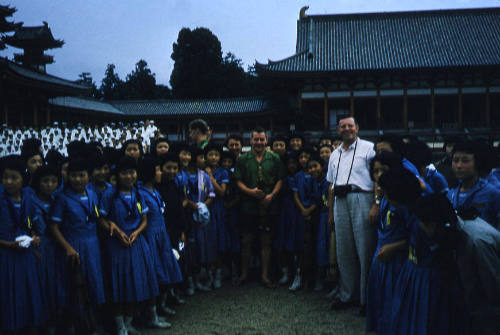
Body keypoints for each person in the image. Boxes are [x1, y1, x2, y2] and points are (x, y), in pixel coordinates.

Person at [99, 156, 167, 334]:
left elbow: (144, 219)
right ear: (117, 175)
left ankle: (129, 322)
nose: (129, 176)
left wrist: (136, 233)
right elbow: (102, 219)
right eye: (124, 173)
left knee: (136, 283)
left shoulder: (138, 193)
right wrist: (117, 232)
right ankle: (119, 325)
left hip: (136, 243)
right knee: (119, 285)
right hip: (117, 245)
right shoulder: (109, 194)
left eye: (132, 172)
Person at [326, 116, 376, 315]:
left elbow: (377, 177)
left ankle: (366, 299)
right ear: (338, 130)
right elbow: (330, 185)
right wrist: (330, 212)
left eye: (350, 126)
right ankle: (348, 295)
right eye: (343, 126)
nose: (347, 129)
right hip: (340, 200)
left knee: (364, 249)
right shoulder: (334, 154)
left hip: (361, 198)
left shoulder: (369, 148)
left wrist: (375, 203)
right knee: (344, 250)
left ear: (357, 127)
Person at [49, 158, 106, 334]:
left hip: (93, 245)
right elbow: (53, 227)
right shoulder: (62, 198)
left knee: (94, 286)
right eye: (73, 176)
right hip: (74, 246)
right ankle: (77, 327)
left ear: (88, 177)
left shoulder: (92, 194)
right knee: (75, 289)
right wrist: (68, 248)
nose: (78, 179)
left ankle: (93, 325)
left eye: (82, 175)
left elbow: (97, 218)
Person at [366, 167, 418, 334]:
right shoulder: (386, 201)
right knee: (380, 303)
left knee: (394, 305)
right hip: (381, 260)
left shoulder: (407, 207)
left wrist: (395, 247)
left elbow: (417, 238)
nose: (380, 190)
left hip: (398, 263)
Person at [234, 126, 285, 288]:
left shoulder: (274, 158)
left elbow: (280, 179)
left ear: (266, 140)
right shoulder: (242, 159)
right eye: (255, 139)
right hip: (248, 206)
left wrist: (271, 196)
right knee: (246, 240)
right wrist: (250, 192)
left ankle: (264, 276)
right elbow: (238, 181)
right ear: (250, 141)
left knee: (266, 242)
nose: (259, 142)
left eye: (262, 139)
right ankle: (244, 274)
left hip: (268, 205)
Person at [0, 155, 46, 333]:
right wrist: (7, 244)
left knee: (26, 295)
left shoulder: (29, 199)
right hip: (5, 255)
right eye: (5, 177)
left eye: (14, 178)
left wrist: (34, 238)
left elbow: (32, 226)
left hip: (25, 256)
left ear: (23, 179)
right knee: (8, 296)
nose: (9, 182)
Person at [138, 157, 183, 321]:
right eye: (157, 170)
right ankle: (151, 314)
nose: (160, 173)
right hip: (151, 236)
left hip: (161, 235)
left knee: (165, 269)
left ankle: (160, 307)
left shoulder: (155, 191)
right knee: (154, 273)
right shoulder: (141, 193)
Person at [447, 141, 500, 228]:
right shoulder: (450, 194)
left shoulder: (492, 193)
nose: (459, 166)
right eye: (455, 161)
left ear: (477, 163)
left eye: (465, 161)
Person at [204, 143, 230, 288]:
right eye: (210, 154)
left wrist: (210, 177)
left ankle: (218, 273)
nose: (213, 157)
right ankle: (209, 275)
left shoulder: (223, 172)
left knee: (219, 241)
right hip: (206, 208)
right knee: (208, 242)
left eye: (216, 155)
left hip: (218, 209)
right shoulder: (200, 170)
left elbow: (221, 192)